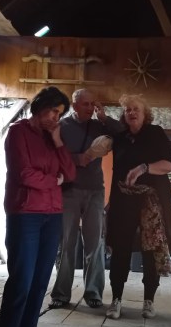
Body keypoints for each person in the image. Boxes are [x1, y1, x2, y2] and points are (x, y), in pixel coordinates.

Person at [0, 87, 76, 327]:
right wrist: (54, 180)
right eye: (52, 111)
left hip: (52, 216)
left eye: (60, 114)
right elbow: (24, 174)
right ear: (39, 107)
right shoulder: (18, 132)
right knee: (21, 283)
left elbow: (70, 173)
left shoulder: (53, 139)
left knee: (40, 284)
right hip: (25, 214)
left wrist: (58, 141)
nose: (55, 117)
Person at [105, 94, 171, 320]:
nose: (131, 112)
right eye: (128, 109)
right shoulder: (120, 138)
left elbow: (169, 164)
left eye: (136, 108)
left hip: (150, 201)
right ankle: (116, 299)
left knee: (150, 249)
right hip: (124, 199)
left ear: (144, 112)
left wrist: (143, 168)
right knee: (120, 249)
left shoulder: (155, 133)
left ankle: (149, 301)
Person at [49, 89, 123, 310]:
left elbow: (123, 133)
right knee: (67, 243)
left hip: (95, 191)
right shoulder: (62, 126)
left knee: (95, 243)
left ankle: (93, 293)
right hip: (69, 191)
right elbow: (52, 155)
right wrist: (77, 159)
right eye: (85, 104)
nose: (90, 108)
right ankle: (61, 294)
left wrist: (105, 118)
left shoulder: (100, 125)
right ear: (74, 106)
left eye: (93, 104)